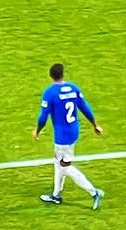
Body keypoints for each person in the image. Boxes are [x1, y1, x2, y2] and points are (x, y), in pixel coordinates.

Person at [33, 63, 103, 209]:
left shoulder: (50, 93)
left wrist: (37, 131)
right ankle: (56, 195)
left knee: (65, 167)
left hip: (62, 136)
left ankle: (93, 192)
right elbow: (85, 107)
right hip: (73, 131)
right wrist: (94, 124)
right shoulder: (73, 88)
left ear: (50, 76)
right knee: (58, 162)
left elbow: (43, 116)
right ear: (63, 74)